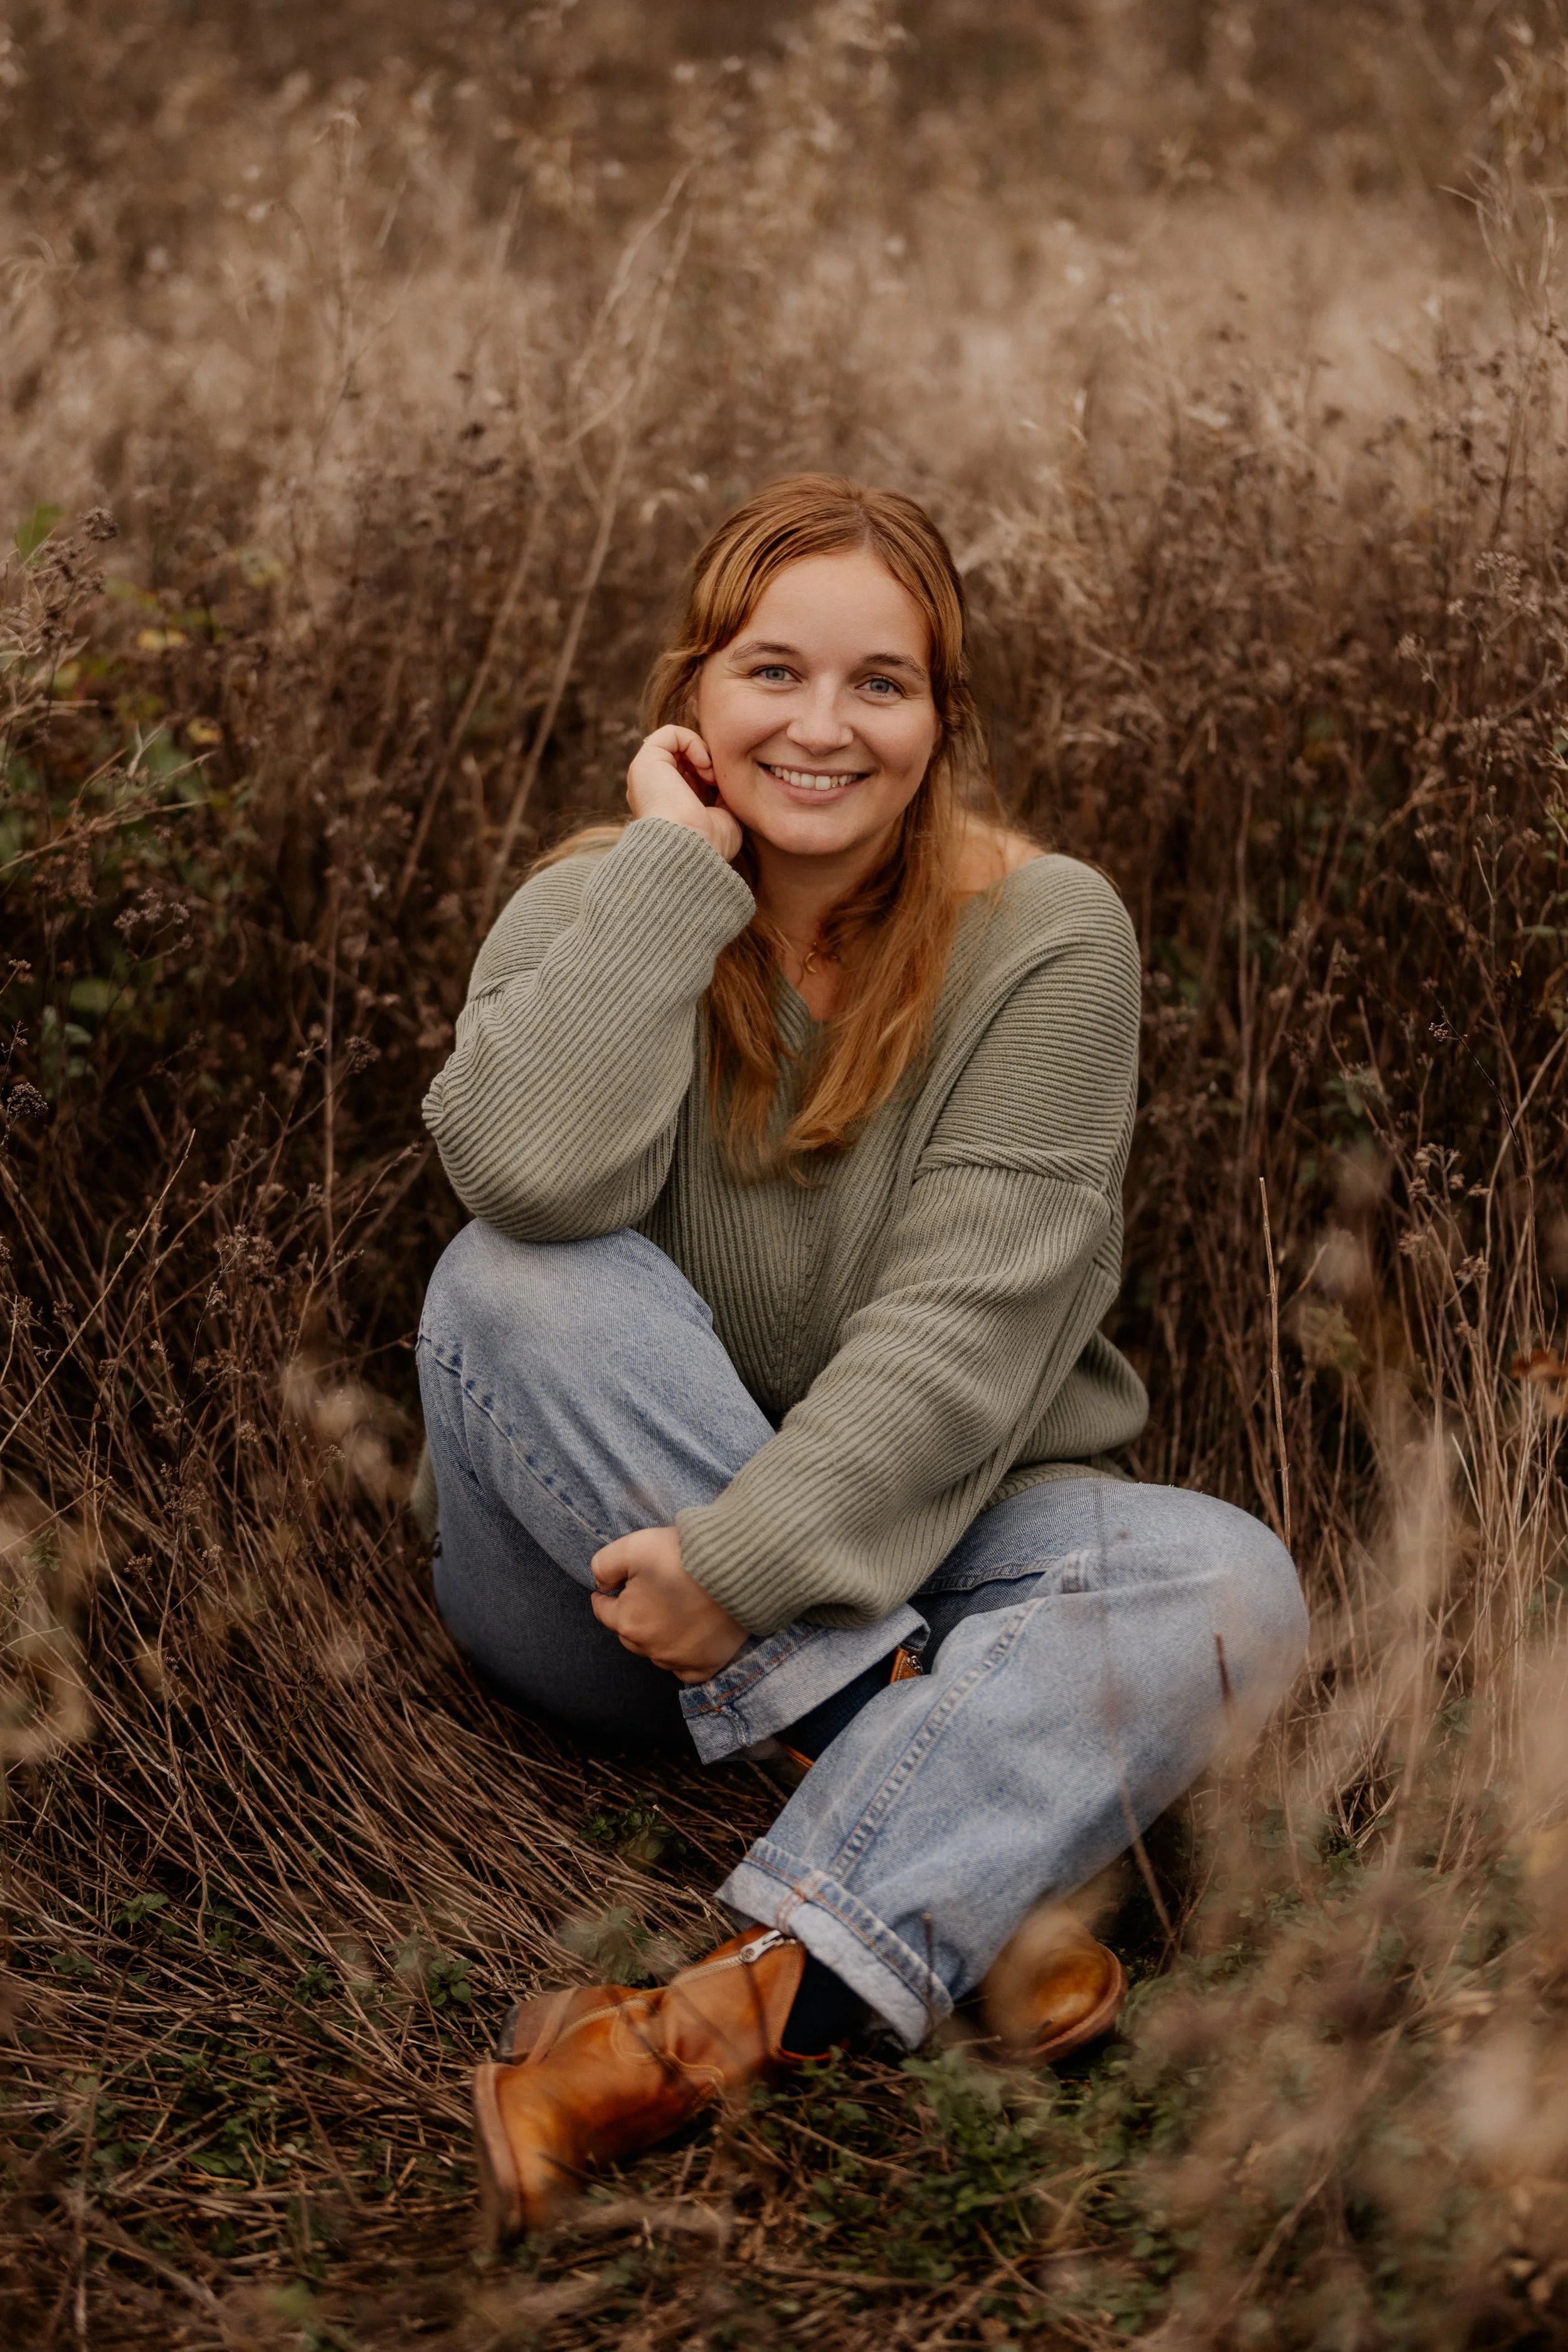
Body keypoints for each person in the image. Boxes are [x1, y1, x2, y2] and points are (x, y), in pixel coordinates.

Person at [413, 474, 1306, 2243]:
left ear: (939, 720)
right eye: (770, 670)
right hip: (594, 1586)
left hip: (908, 1523)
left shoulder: (1045, 936)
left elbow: (970, 1329)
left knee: (1222, 1577)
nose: (820, 727)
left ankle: (695, 2027)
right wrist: (678, 873)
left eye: (878, 684)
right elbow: (527, 1177)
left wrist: (749, 1567)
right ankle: (955, 1818)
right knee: (512, 1277)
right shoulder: (599, 904)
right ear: (692, 693)